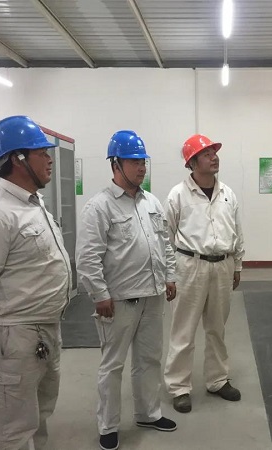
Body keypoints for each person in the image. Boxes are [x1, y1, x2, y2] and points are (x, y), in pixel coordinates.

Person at [0, 115, 73, 450]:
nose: (49, 159)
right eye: (41, 153)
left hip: (44, 329)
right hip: (14, 336)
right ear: (18, 159)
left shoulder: (34, 205)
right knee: (14, 427)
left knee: (40, 412)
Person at [76, 130, 177, 450]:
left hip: (153, 295)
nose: (141, 167)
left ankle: (148, 413)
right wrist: (100, 294)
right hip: (119, 300)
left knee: (149, 358)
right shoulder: (99, 207)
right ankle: (108, 425)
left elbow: (164, 243)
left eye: (143, 161)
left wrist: (169, 276)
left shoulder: (152, 202)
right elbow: (87, 257)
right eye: (134, 161)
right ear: (115, 164)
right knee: (113, 365)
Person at [164, 133, 245, 413]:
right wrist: (169, 274)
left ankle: (217, 379)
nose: (214, 157)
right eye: (207, 154)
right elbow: (166, 236)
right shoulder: (177, 195)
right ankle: (179, 387)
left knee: (217, 329)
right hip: (189, 266)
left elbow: (237, 231)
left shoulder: (228, 194)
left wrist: (237, 265)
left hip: (223, 265)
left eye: (214, 153)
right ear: (192, 162)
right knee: (183, 330)